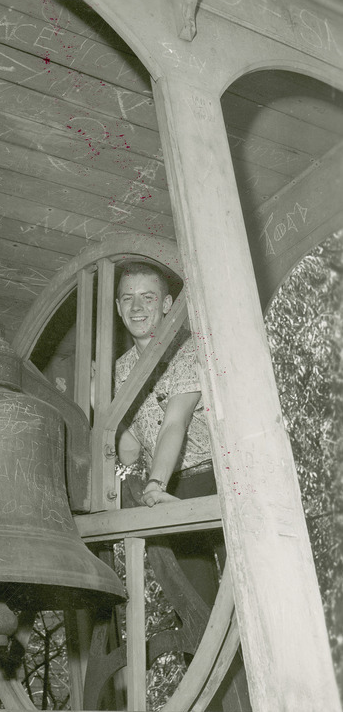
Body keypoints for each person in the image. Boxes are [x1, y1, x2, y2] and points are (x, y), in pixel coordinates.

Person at [114, 260, 222, 607]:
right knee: (196, 604)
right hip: (171, 487)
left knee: (246, 597)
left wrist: (155, 484)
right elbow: (129, 451)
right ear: (118, 307)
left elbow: (173, 423)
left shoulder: (188, 349)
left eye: (148, 297)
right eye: (128, 298)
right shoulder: (121, 369)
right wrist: (103, 409)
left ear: (166, 305)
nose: (137, 307)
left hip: (214, 480)